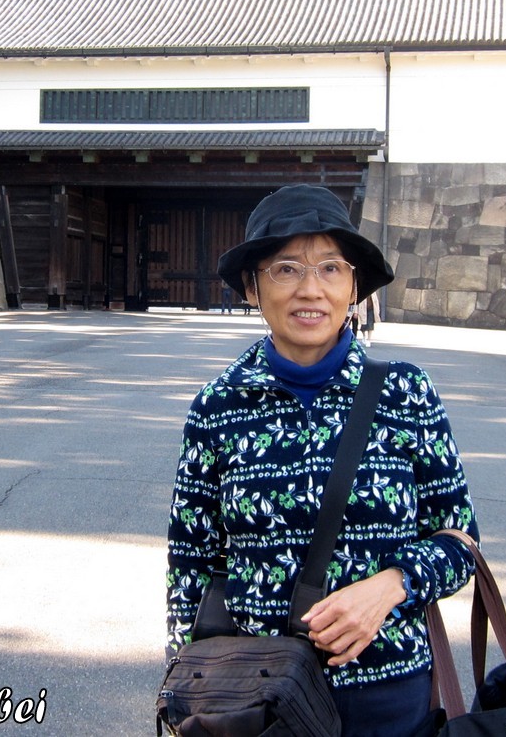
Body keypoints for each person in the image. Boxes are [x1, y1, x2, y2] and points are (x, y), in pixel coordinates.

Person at [165, 184, 478, 737]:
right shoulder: (218, 407)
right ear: (251, 287)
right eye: (286, 269)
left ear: (354, 285)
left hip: (389, 693)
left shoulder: (406, 394)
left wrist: (393, 584)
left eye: (330, 269)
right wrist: (182, 685)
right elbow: (190, 564)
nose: (311, 289)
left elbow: (461, 542)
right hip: (257, 700)